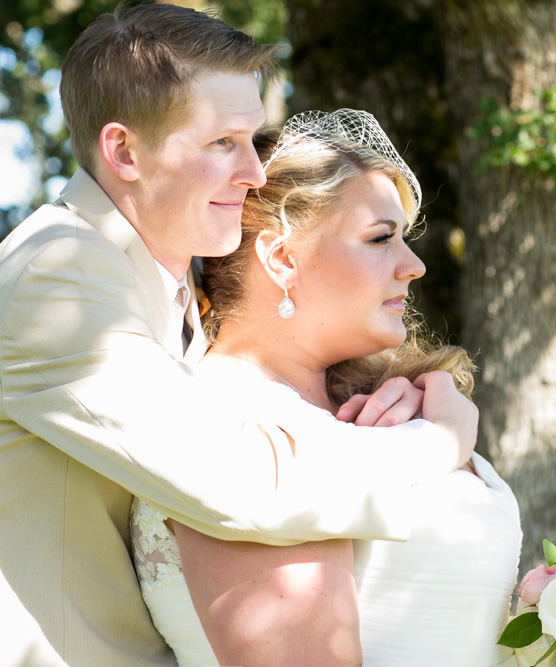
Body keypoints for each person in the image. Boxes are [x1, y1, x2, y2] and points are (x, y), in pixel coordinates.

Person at [0, 6, 477, 666]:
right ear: (123, 151)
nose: (254, 172)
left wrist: (434, 390)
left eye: (253, 139)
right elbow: (247, 482)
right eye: (222, 142)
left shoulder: (168, 283)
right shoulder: (56, 280)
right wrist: (442, 437)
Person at [130, 110, 523, 666]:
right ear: (282, 258)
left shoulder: (396, 402)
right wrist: (445, 439)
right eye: (381, 238)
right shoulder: (228, 425)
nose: (414, 266)